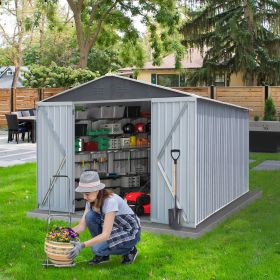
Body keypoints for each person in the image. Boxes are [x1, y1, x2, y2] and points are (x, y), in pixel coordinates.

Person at [69, 171, 141, 265]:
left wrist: (82, 245)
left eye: (87, 194)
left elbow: (105, 235)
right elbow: (81, 226)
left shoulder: (110, 201)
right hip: (115, 228)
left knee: (96, 248)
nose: (84, 197)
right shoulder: (90, 201)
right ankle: (103, 255)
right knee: (90, 216)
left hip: (130, 232)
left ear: (97, 190)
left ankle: (130, 249)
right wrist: (65, 232)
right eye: (83, 194)